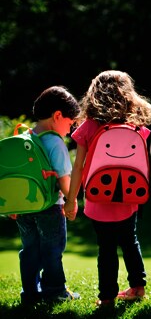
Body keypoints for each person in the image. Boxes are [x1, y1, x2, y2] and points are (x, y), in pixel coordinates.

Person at [64, 70, 151, 306]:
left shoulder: (89, 126)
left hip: (98, 199)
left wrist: (71, 199)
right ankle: (138, 287)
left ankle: (107, 298)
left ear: (94, 94)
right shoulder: (136, 125)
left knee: (106, 249)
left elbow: (79, 167)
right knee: (130, 241)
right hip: (129, 196)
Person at [13, 86, 81, 304]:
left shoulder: (25, 138)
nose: (70, 130)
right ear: (58, 115)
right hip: (50, 207)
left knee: (30, 250)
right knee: (53, 249)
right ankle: (54, 291)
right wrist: (71, 201)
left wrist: (14, 205)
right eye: (71, 123)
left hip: (25, 207)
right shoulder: (55, 142)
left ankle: (31, 293)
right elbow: (63, 177)